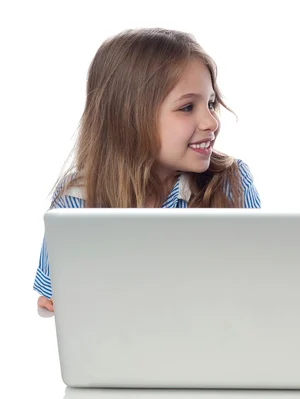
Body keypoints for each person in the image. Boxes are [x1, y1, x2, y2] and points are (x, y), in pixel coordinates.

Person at [34, 28, 261, 311]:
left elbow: (260, 284)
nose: (211, 121)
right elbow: (51, 302)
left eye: (211, 103)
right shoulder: (77, 199)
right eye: (188, 107)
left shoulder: (231, 182)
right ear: (129, 117)